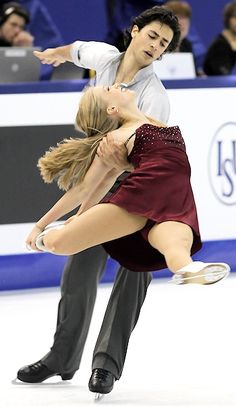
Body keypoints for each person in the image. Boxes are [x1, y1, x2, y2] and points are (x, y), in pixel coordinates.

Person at [17, 6, 181, 394]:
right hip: (106, 175)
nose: (155, 47)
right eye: (153, 36)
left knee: (135, 272)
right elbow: (77, 50)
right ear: (135, 31)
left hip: (142, 187)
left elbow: (118, 166)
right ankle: (62, 356)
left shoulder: (154, 97)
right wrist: (54, 53)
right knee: (79, 267)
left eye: (164, 45)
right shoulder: (107, 58)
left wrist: (59, 218)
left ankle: (106, 365)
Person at [28, 83, 230, 287]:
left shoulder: (155, 122)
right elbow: (87, 187)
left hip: (175, 200)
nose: (116, 85)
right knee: (60, 243)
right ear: (112, 109)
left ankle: (189, 269)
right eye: (108, 90)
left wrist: (82, 215)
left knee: (177, 246)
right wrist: (42, 225)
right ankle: (44, 238)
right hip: (139, 197)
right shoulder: (116, 138)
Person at [203, 0, 236, 76]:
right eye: (235, 16)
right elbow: (224, 75)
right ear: (228, 19)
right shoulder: (220, 45)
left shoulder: (232, 44)